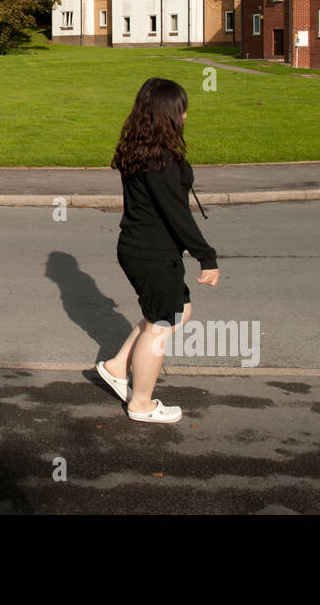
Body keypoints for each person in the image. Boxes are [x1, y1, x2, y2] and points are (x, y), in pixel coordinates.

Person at [96, 77, 220, 423]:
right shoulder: (160, 160)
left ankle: (117, 366)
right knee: (162, 323)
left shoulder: (139, 148)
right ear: (167, 114)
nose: (185, 118)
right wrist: (206, 256)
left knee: (176, 312)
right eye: (181, 111)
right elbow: (176, 214)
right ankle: (141, 403)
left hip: (139, 247)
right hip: (152, 252)